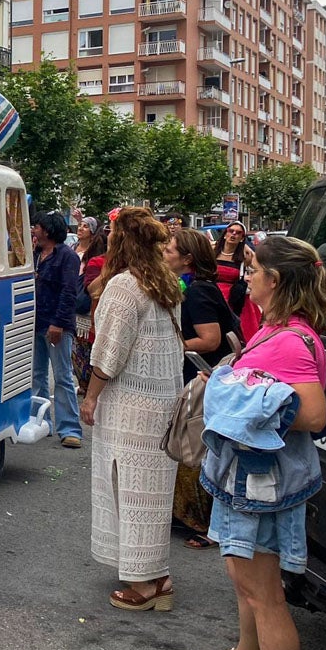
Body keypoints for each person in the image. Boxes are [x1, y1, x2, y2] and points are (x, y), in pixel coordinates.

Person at [195, 236, 326, 650]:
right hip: (256, 479)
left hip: (264, 484)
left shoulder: (290, 340)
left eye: (253, 270)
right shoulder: (280, 330)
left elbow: (314, 414)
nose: (246, 276)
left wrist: (246, 397)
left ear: (275, 280)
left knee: (264, 592)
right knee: (245, 579)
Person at [81, 207, 184, 611]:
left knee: (128, 486)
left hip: (130, 403)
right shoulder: (166, 282)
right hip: (162, 398)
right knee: (153, 491)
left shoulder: (125, 286)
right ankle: (158, 574)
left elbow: (108, 353)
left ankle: (144, 584)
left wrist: (91, 397)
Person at [165, 228, 239, 550]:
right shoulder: (193, 287)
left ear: (187, 259)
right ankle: (190, 516)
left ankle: (205, 523)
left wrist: (171, 344)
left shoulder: (198, 291)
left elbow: (210, 339)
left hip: (206, 379)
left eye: (169, 249)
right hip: (199, 377)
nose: (164, 252)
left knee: (195, 447)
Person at [31, 213, 83, 448]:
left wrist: (59, 323)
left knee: (62, 376)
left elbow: (69, 292)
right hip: (36, 322)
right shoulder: (34, 255)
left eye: (38, 226)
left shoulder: (67, 257)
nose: (34, 229)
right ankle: (41, 422)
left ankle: (70, 427)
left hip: (56, 324)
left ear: (48, 231)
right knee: (36, 375)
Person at [72, 217, 108, 396]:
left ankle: (88, 384)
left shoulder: (95, 258)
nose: (81, 228)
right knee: (81, 349)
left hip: (87, 308)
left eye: (85, 226)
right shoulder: (73, 249)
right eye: (80, 225)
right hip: (78, 303)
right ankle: (85, 383)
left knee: (86, 349)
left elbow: (93, 289)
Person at [214, 221, 263, 342]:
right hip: (213, 295)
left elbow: (260, 267)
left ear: (242, 238)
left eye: (238, 233)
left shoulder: (245, 256)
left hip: (235, 299)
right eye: (231, 231)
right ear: (225, 234)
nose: (233, 234)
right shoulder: (212, 250)